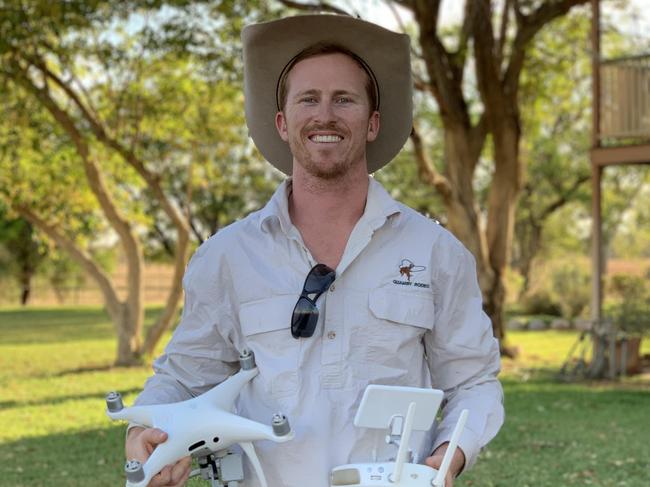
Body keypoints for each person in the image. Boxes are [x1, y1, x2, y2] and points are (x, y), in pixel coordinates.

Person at [125, 14, 504, 487]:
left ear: (373, 123)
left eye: (344, 99)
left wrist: (448, 458)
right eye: (309, 99)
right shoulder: (227, 256)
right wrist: (146, 429)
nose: (325, 115)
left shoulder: (435, 253)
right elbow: (184, 377)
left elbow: (473, 382)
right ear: (283, 123)